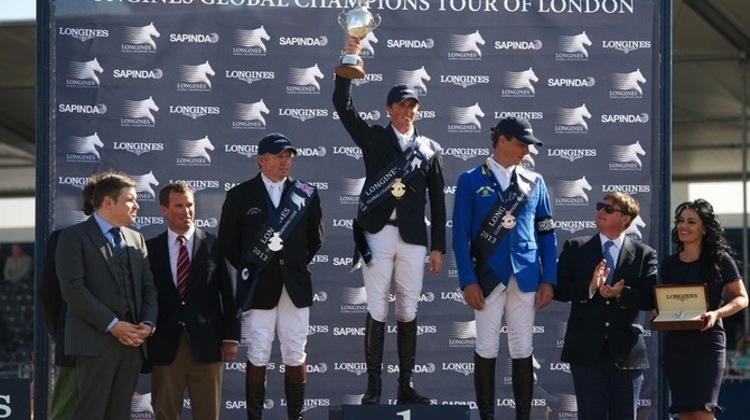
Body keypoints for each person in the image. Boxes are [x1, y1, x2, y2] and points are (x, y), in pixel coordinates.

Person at [332, 37, 447, 405]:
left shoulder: (429, 149)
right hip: (378, 234)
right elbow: (342, 105)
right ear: (389, 109)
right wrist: (350, 60)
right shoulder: (374, 138)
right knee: (377, 308)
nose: (407, 110)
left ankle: (406, 386)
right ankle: (374, 387)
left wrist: (438, 247)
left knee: (408, 309)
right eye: (401, 104)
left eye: (413, 105)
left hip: (413, 238)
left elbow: (438, 201)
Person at [452, 116, 557, 420]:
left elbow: (547, 233)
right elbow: (460, 236)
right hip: (487, 277)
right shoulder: (470, 179)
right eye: (521, 144)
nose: (526, 150)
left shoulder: (535, 182)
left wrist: (548, 278)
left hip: (525, 275)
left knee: (523, 347)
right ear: (502, 140)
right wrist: (467, 281)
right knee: (486, 347)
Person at [218, 133, 323, 420]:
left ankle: (296, 416)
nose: (285, 162)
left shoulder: (306, 193)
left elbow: (316, 239)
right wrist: (252, 268)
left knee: (295, 352)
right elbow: (228, 242)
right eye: (279, 156)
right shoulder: (240, 195)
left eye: (288, 156)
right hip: (258, 287)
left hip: (295, 287)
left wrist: (293, 265)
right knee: (258, 353)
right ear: (261, 161)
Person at [56, 171, 158, 420]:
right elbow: (73, 289)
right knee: (90, 412)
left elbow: (148, 288)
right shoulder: (73, 237)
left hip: (132, 346)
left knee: (120, 413)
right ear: (108, 201)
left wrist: (147, 323)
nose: (137, 205)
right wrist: (113, 325)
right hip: (94, 344)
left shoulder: (137, 239)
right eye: (130, 199)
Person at [553, 192, 658, 420]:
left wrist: (623, 294)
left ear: (625, 219)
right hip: (586, 351)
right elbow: (557, 289)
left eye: (609, 209)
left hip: (626, 353)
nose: (600, 211)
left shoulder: (644, 254)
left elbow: (651, 298)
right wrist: (589, 287)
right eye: (600, 206)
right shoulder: (576, 247)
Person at [146, 182, 240, 420]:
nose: (186, 211)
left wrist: (231, 337)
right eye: (179, 206)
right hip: (166, 345)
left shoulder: (215, 245)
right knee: (165, 414)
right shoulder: (149, 249)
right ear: (164, 209)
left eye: (189, 205)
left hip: (208, 345)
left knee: (208, 414)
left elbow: (230, 295)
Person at [660, 199, 748, 419]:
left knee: (702, 411)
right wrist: (659, 315)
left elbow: (741, 298)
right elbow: (664, 303)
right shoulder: (668, 264)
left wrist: (716, 313)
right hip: (676, 345)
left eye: (691, 222)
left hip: (707, 344)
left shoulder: (720, 260)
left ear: (704, 229)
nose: (684, 226)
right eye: (681, 221)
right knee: (685, 412)